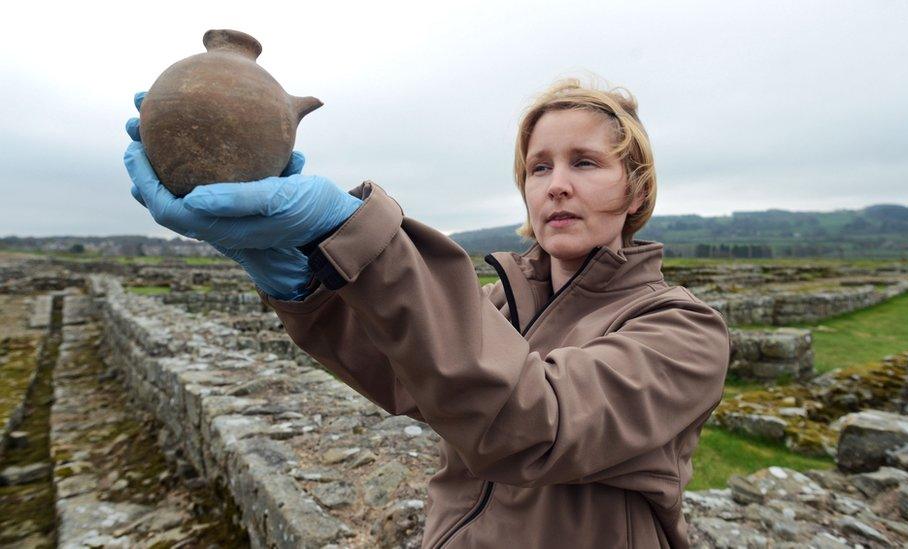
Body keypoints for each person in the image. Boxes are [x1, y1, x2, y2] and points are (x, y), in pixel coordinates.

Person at [124, 78, 730, 548]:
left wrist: (359, 232)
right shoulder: (499, 306)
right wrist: (301, 283)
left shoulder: (682, 331)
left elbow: (537, 425)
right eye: (539, 167)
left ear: (637, 190)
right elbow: (400, 374)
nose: (556, 185)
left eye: (586, 163)